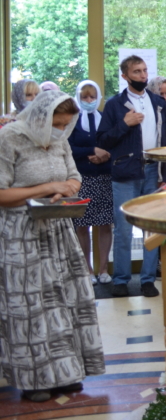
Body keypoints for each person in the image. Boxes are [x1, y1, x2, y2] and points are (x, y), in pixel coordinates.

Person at [0, 90, 105, 402]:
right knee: (31, 306)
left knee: (65, 301)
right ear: (39, 117)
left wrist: (67, 189)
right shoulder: (10, 138)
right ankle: (34, 379)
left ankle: (67, 372)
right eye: (56, 124)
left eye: (65, 125)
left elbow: (73, 177)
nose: (61, 130)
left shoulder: (59, 139)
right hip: (21, 231)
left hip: (57, 229)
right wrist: (46, 188)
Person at [97, 56, 166, 298]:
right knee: (123, 229)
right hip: (126, 170)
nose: (142, 75)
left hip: (154, 169)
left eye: (144, 70)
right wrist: (125, 124)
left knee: (151, 227)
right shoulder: (115, 105)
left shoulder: (158, 102)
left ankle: (148, 279)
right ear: (125, 76)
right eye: (137, 71)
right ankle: (120, 279)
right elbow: (103, 140)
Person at [69, 80, 113, 285]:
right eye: (85, 97)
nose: (88, 101)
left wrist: (105, 156)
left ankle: (103, 268)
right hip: (82, 180)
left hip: (104, 178)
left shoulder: (105, 119)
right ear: (78, 98)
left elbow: (113, 144)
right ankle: (86, 269)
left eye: (92, 97)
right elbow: (68, 148)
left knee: (104, 224)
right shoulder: (72, 121)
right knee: (81, 225)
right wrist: (90, 152)